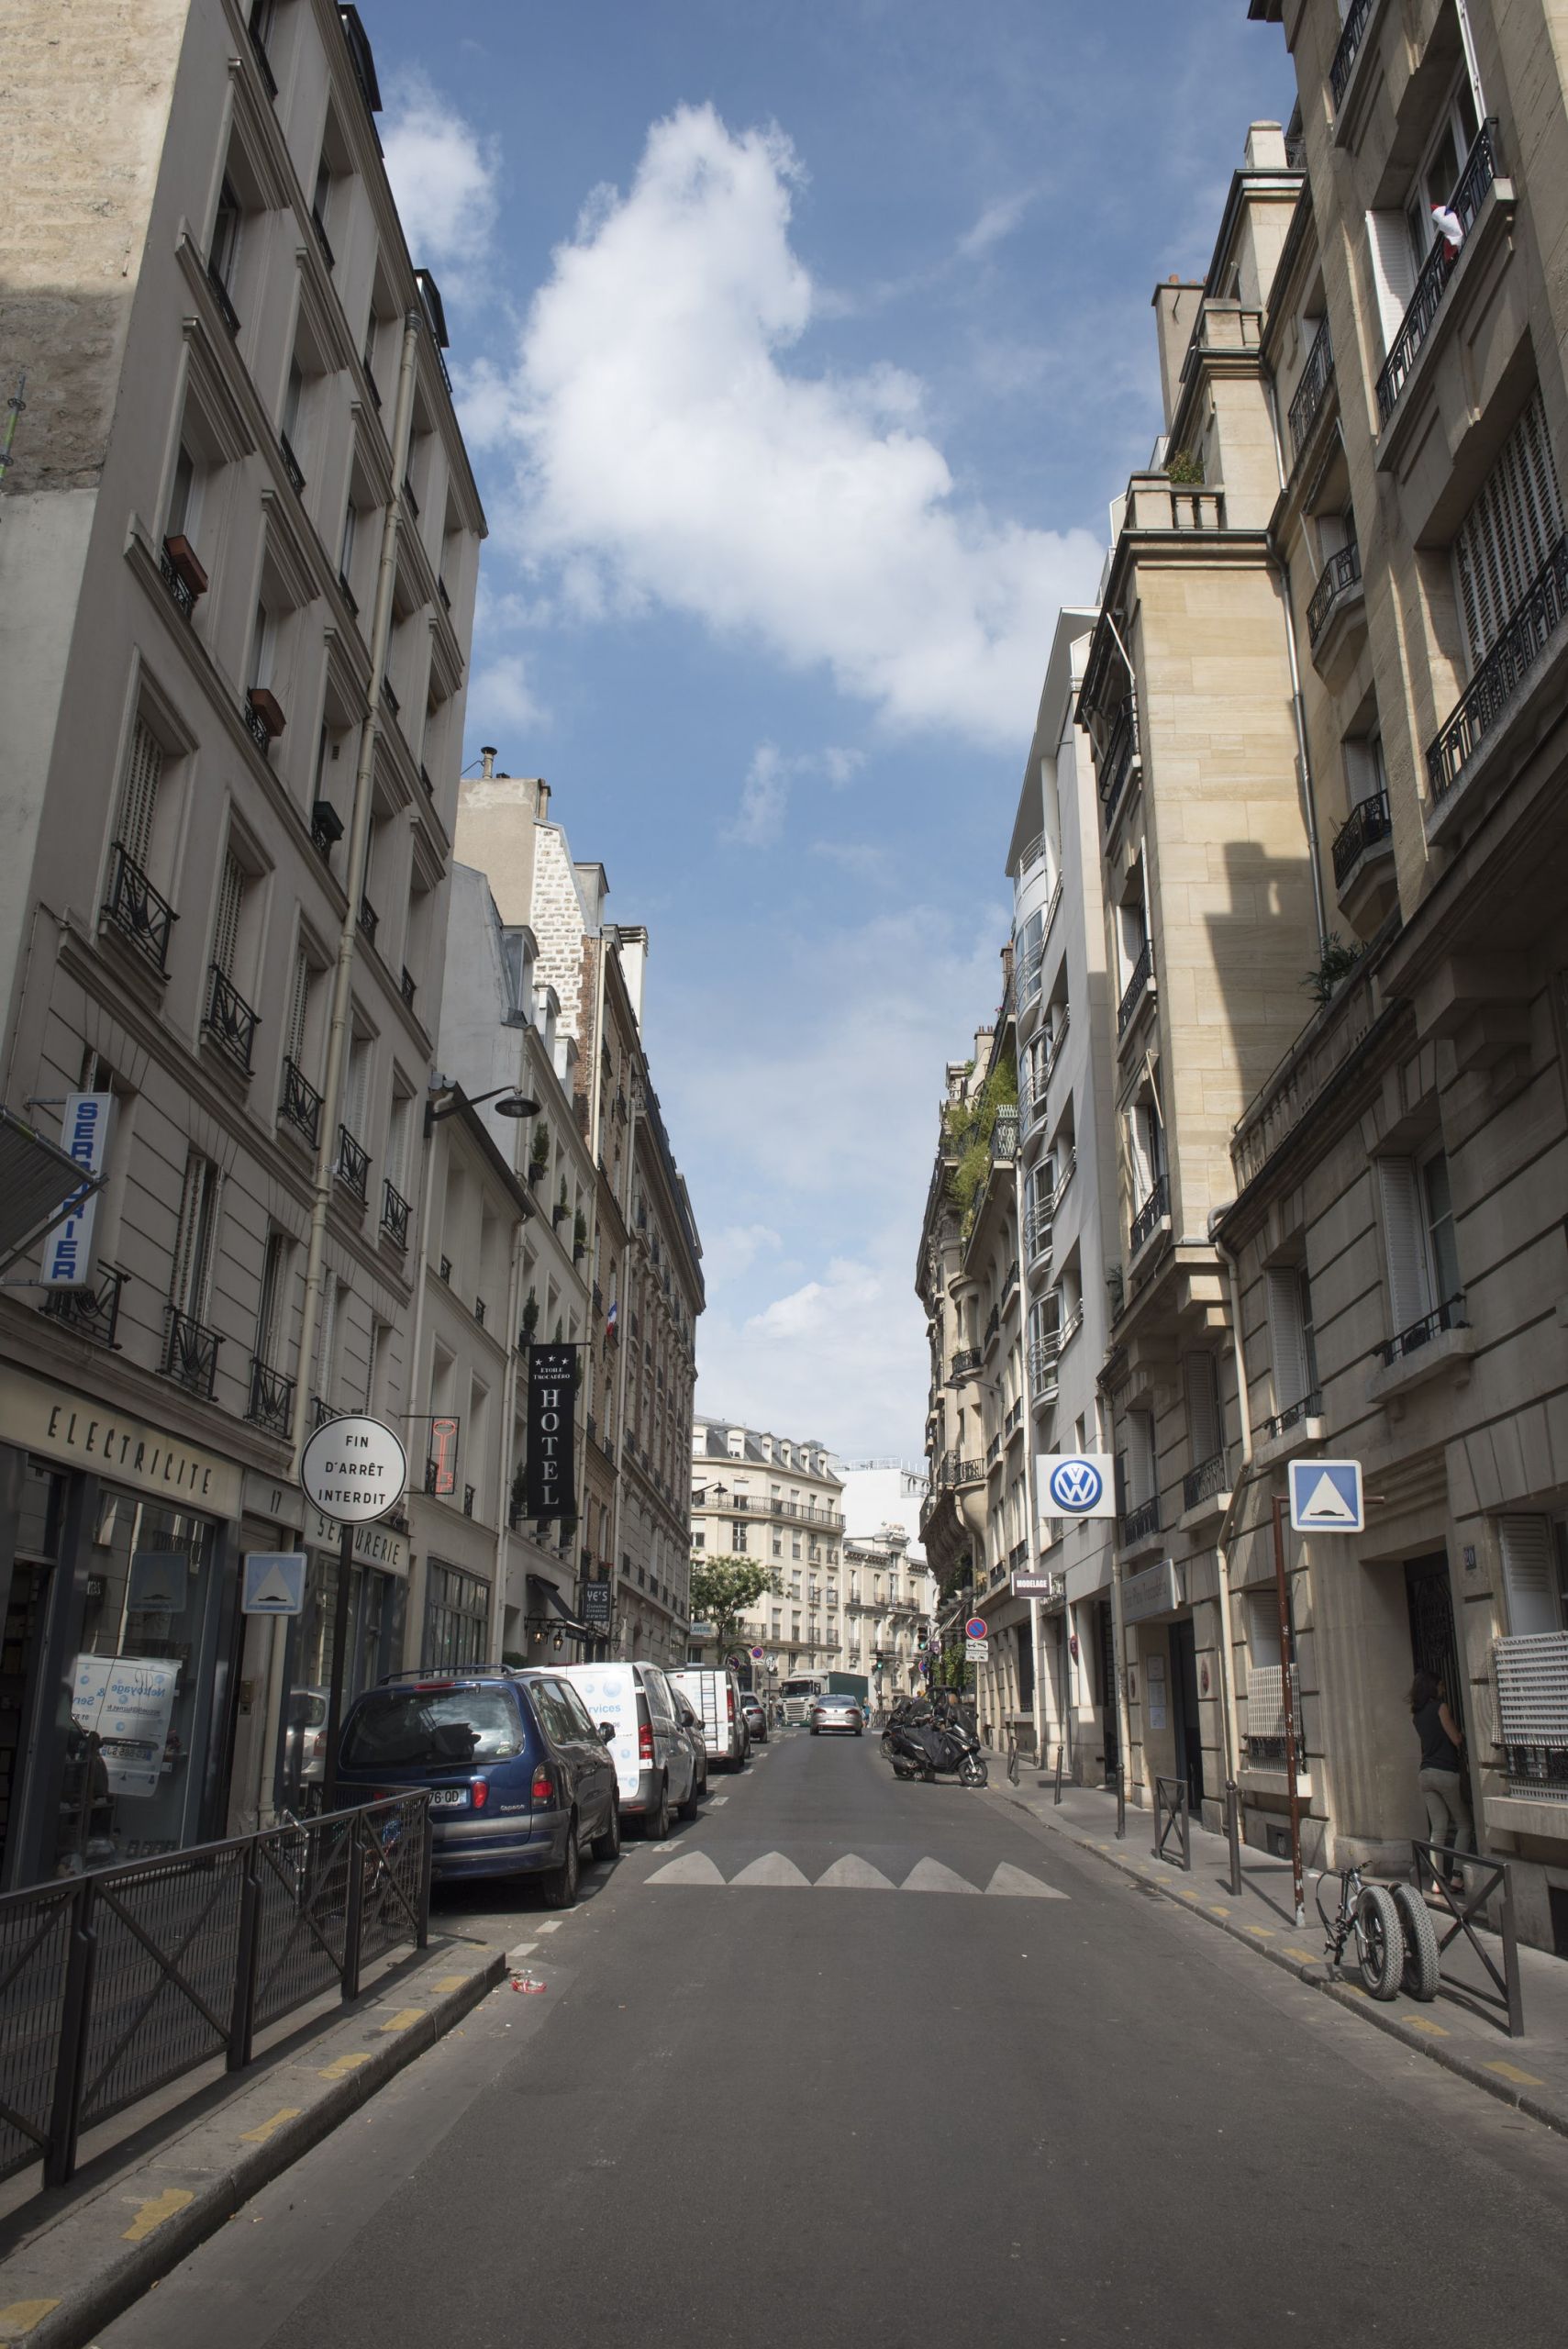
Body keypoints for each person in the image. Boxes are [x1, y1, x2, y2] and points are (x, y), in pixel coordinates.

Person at [1409, 1670, 1473, 1896]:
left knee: (1438, 1827)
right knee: (1464, 1824)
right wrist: (1462, 1736)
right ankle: (1456, 1877)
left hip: (1425, 1773)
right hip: (1445, 1771)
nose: (1443, 1689)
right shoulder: (1440, 1707)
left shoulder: (1416, 1715)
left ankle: (1437, 1880)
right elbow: (1454, 1738)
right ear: (1433, 1687)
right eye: (1441, 1685)